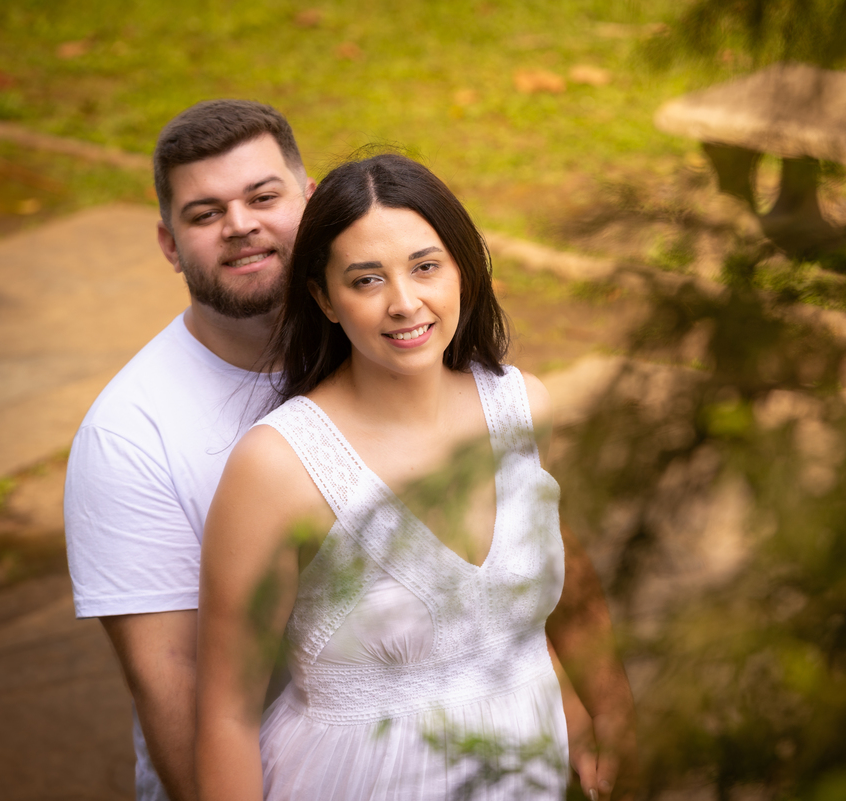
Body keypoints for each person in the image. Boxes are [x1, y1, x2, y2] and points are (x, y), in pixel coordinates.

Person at [195, 153, 636, 800]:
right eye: (367, 279)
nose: (404, 303)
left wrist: (605, 715)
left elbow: (549, 600)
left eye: (426, 266)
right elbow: (226, 715)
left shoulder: (523, 408)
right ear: (324, 298)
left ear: (464, 271)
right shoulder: (278, 464)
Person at [63, 99, 317, 801]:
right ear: (170, 244)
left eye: (263, 197)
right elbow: (170, 681)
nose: (240, 225)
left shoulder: (382, 346)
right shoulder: (129, 434)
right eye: (205, 213)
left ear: (311, 202)